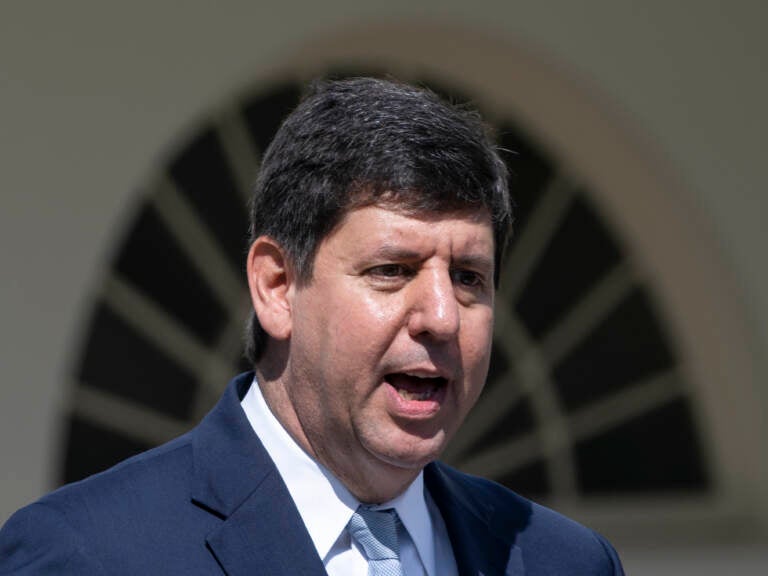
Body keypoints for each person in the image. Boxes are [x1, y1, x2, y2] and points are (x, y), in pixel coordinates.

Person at [0, 77, 624, 575]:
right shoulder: (88, 555)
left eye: (468, 278)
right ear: (276, 287)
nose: (441, 316)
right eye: (392, 269)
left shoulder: (562, 561)